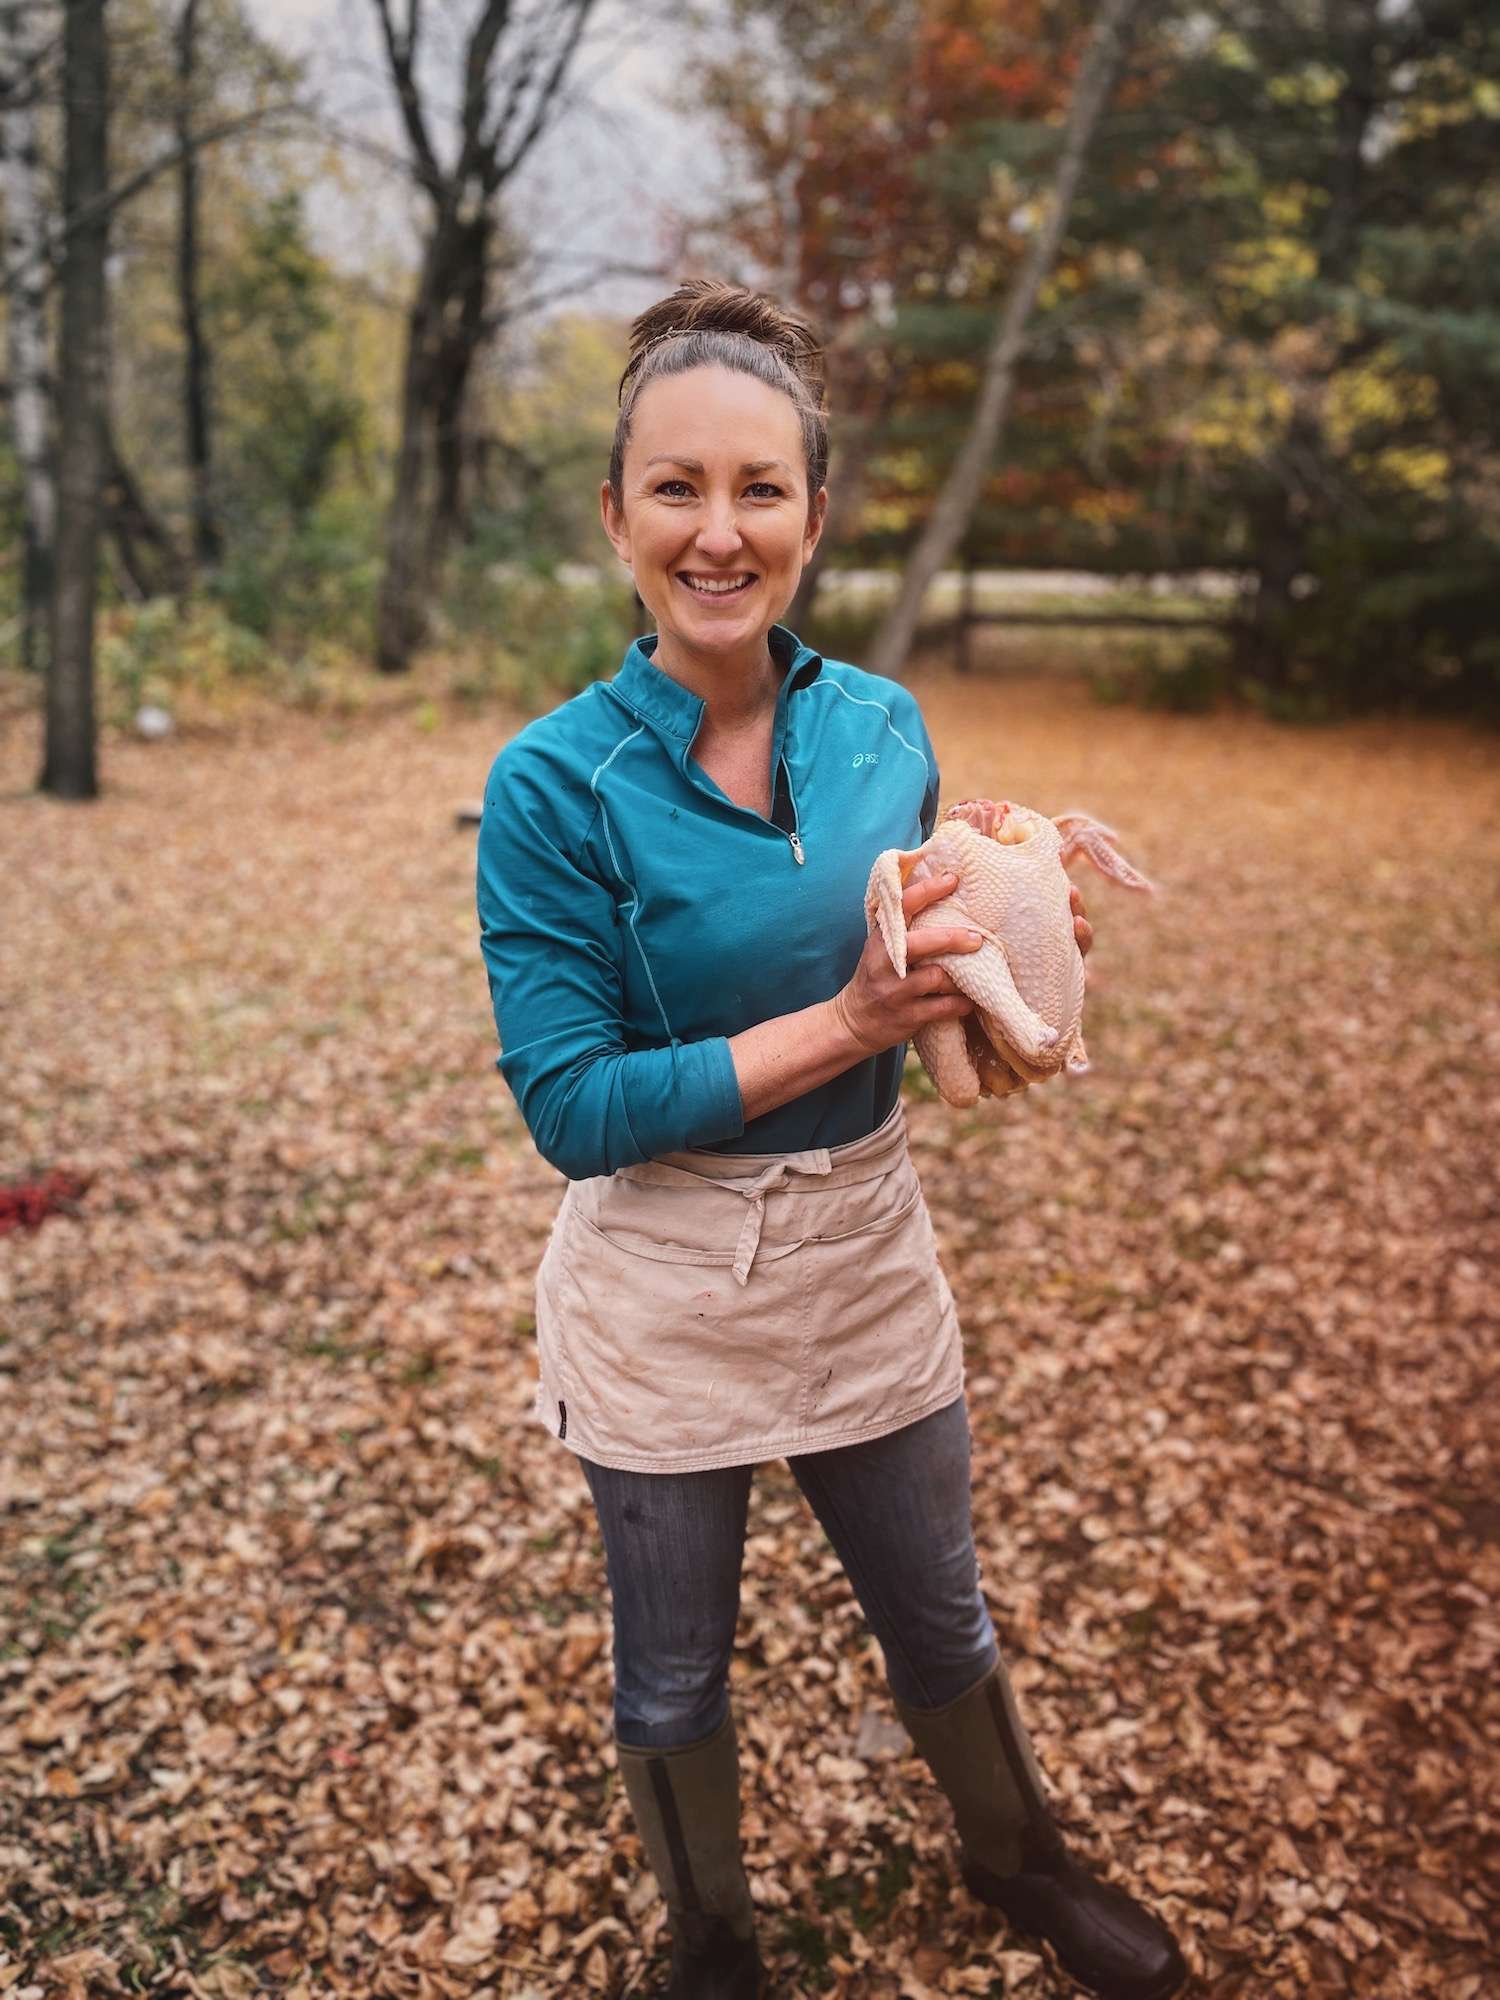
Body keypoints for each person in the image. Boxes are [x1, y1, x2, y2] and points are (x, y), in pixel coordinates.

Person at [475, 279, 1187, 2000]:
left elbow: (920, 940)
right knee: (671, 1676)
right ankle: (712, 1942)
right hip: (664, 1274)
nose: (720, 533)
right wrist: (856, 1019)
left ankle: (1021, 1862)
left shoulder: (881, 726)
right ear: (618, 514)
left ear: (811, 508)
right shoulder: (549, 786)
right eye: (677, 488)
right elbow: (574, 1109)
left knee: (938, 1614)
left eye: (760, 490)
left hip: (865, 1246)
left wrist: (1015, 952)